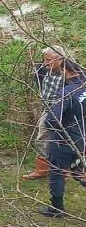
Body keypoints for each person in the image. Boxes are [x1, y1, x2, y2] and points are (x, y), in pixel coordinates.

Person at [38, 56, 85, 217]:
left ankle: (56, 208)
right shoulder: (84, 86)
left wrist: (54, 131)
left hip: (62, 140)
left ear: (67, 71)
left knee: (57, 173)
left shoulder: (67, 93)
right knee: (79, 171)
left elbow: (52, 119)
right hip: (80, 139)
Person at [22, 46, 67, 180]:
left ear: (59, 59)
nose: (45, 63)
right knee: (42, 140)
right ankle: (42, 169)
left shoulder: (69, 74)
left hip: (63, 113)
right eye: (44, 60)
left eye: (49, 60)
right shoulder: (43, 70)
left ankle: (63, 172)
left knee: (63, 142)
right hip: (47, 110)